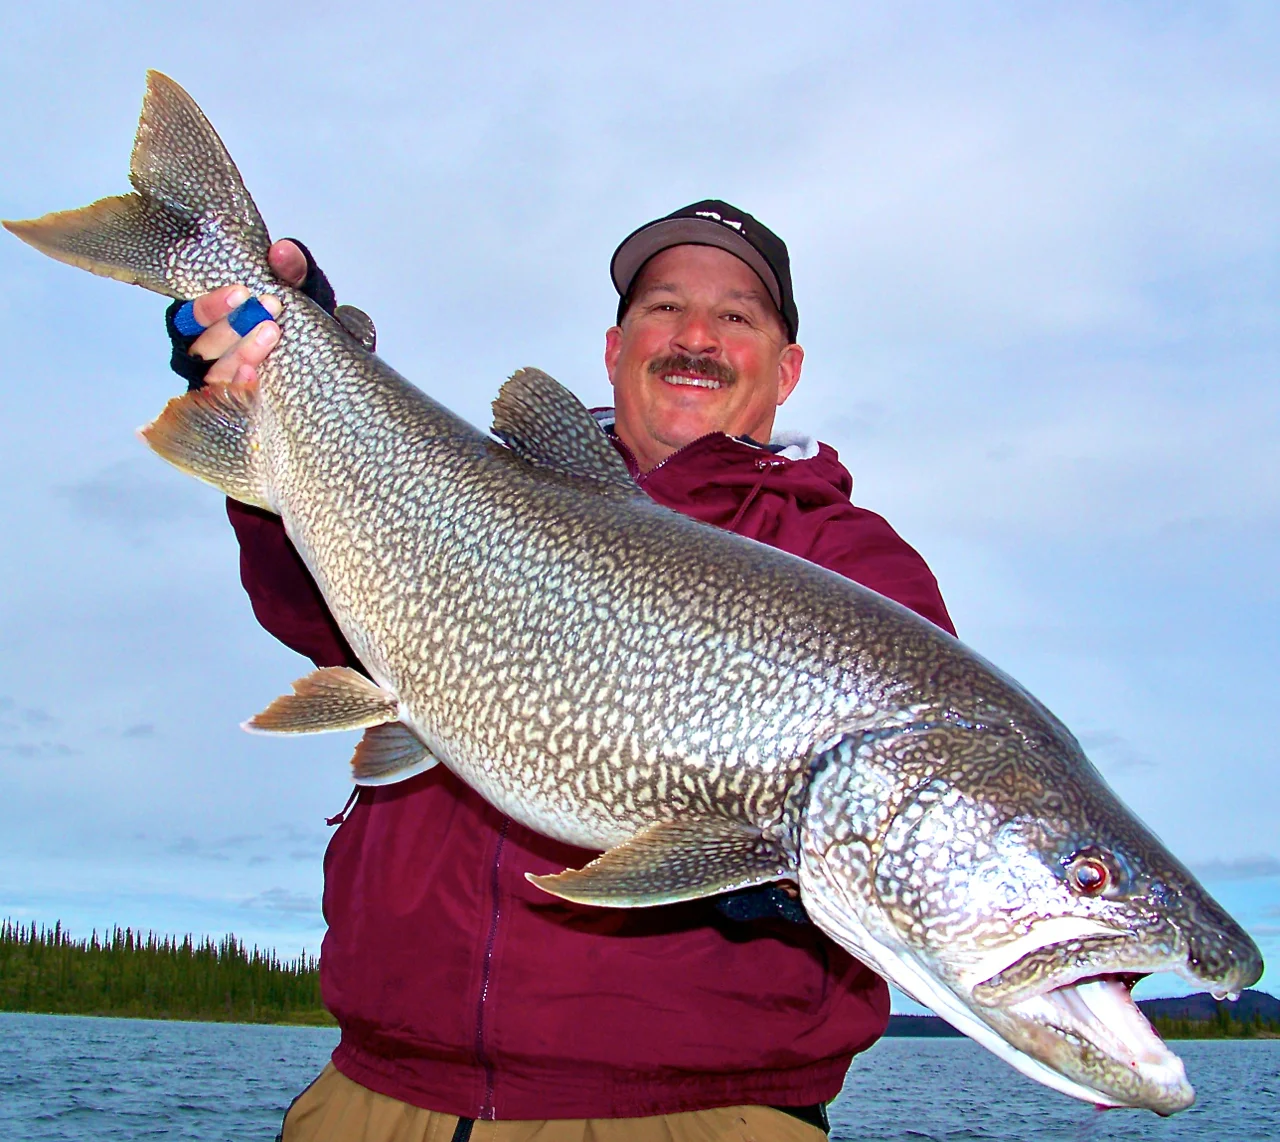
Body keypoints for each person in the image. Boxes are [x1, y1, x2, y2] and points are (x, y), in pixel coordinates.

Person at [167, 201, 955, 1142]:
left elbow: (918, 791)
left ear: (786, 369)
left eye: (737, 315)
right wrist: (287, 378)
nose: (696, 337)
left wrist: (787, 869)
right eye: (665, 308)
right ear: (615, 350)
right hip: (373, 1094)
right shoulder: (486, 485)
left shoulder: (850, 563)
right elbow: (318, 616)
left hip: (691, 1116)